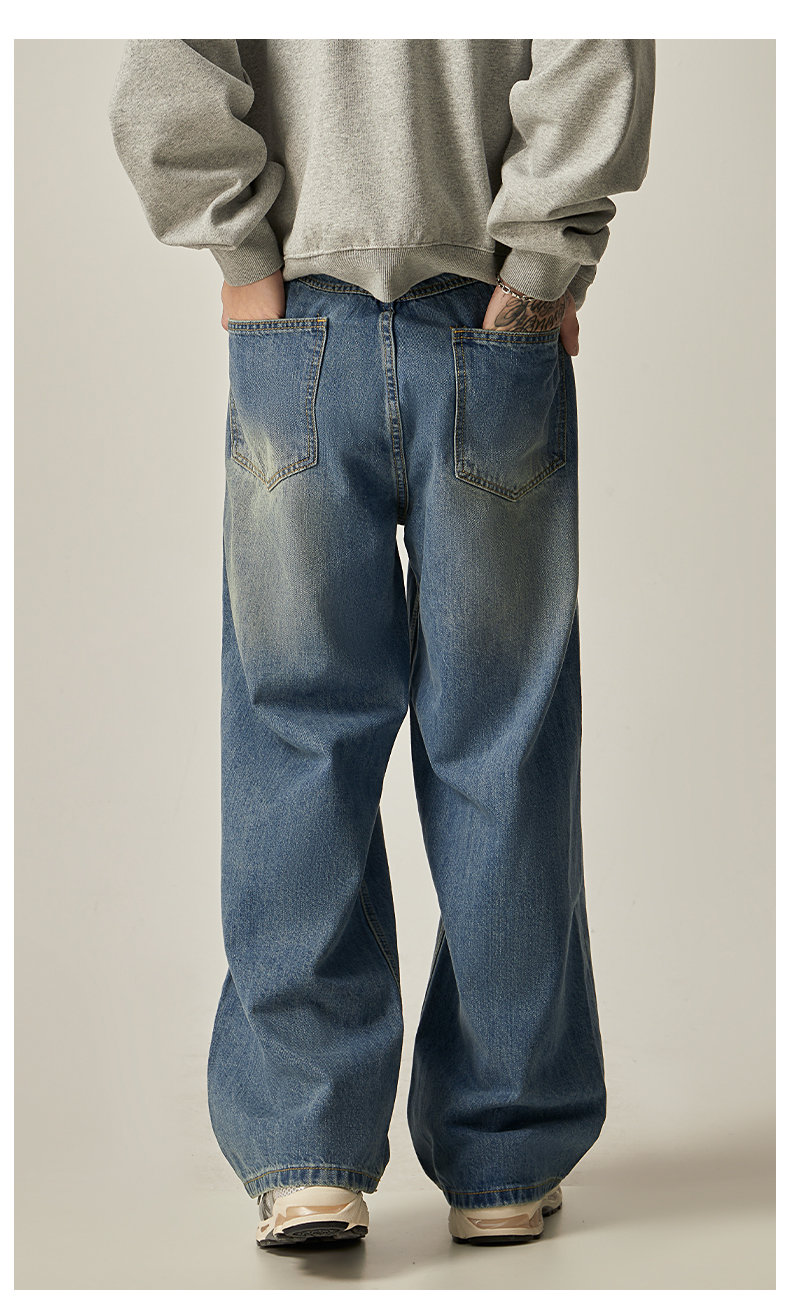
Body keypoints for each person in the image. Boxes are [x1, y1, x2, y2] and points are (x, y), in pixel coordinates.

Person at [108, 38, 656, 1249]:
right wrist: (539, 267)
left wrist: (245, 256)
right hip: (490, 318)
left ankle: (306, 1155)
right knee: (503, 740)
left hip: (300, 319)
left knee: (298, 736)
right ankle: (504, 1154)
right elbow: (594, 48)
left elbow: (170, 61)